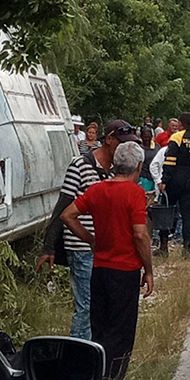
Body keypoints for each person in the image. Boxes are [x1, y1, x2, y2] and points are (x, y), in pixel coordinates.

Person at [60, 141, 153, 380]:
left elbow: (67, 215)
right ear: (139, 166)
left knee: (99, 327)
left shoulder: (98, 189)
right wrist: (149, 269)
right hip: (125, 271)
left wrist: (90, 239)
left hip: (99, 268)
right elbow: (140, 235)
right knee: (121, 331)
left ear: (115, 165)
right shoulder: (135, 193)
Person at [37, 120, 140, 341]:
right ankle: (80, 358)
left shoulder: (115, 170)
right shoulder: (80, 165)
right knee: (86, 309)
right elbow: (63, 207)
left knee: (101, 310)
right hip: (83, 247)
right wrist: (50, 245)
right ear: (109, 139)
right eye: (121, 143)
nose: (123, 148)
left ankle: (98, 358)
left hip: (104, 252)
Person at [157, 112, 190, 258]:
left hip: (175, 179)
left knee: (168, 211)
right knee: (188, 214)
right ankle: (186, 248)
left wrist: (164, 180)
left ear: (180, 124)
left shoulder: (177, 137)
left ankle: (164, 245)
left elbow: (170, 161)